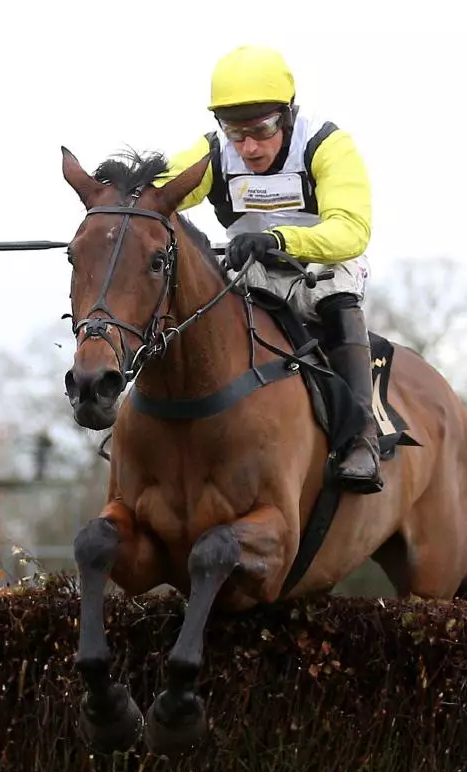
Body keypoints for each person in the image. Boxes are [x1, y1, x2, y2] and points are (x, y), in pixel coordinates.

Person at [154, 44, 384, 494]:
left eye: (261, 129)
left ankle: (361, 439)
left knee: (333, 299)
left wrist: (280, 240)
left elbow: (351, 230)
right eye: (235, 132)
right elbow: (162, 190)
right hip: (252, 268)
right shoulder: (215, 152)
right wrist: (121, 208)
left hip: (324, 263)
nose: (249, 147)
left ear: (288, 114)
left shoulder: (327, 144)